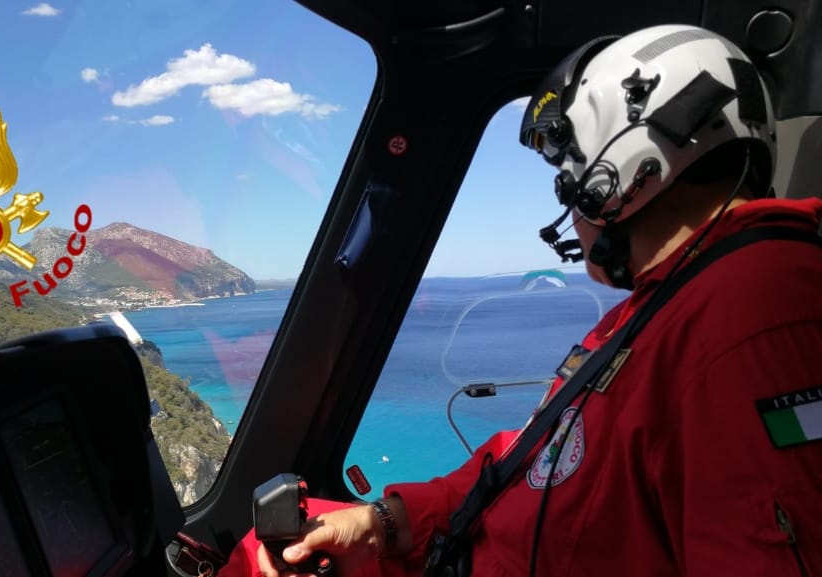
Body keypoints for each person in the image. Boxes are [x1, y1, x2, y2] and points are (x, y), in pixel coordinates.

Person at [218, 23, 822, 577]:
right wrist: (383, 524)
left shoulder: (757, 309)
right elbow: (533, 465)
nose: (568, 205)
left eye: (567, 178)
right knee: (266, 552)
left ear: (624, 168)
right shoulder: (663, 308)